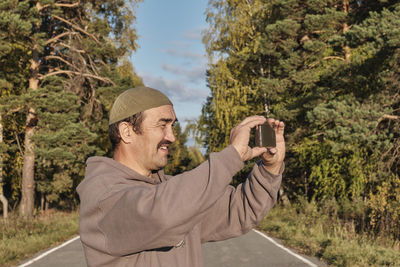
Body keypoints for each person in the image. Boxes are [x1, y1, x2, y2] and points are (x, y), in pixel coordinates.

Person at [77, 86, 285, 267]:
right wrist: (232, 157)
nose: (172, 137)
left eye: (172, 126)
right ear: (127, 132)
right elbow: (159, 214)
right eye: (162, 125)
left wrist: (269, 168)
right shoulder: (103, 197)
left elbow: (238, 209)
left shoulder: (169, 192)